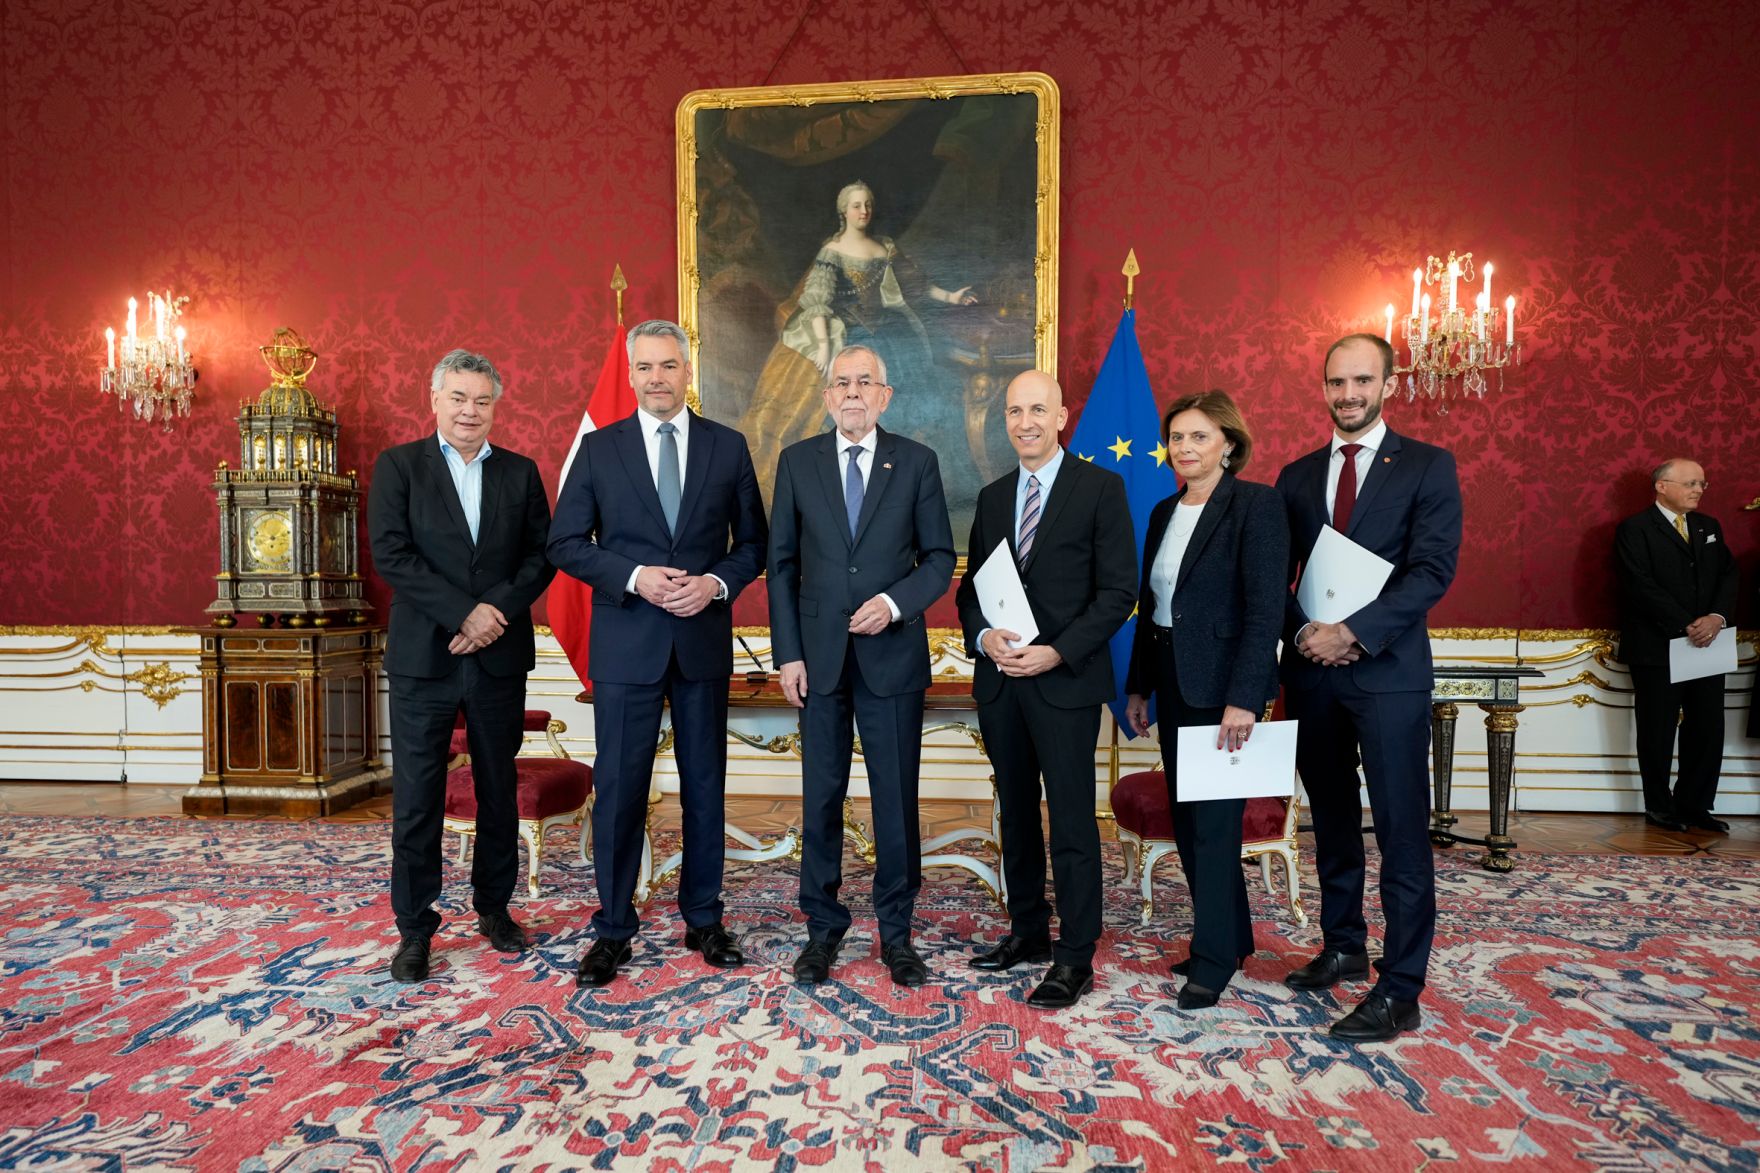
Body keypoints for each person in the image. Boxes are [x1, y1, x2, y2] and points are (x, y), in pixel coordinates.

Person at [548, 319, 768, 987]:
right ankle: (613, 926)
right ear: (633, 372)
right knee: (618, 791)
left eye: (668, 365)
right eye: (644, 367)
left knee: (706, 789)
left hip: (701, 642)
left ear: (686, 370)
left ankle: (704, 916)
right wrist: (635, 576)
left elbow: (753, 545)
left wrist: (715, 582)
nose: (656, 378)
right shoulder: (599, 449)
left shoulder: (727, 448)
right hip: (626, 644)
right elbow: (565, 544)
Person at [1274, 333, 1461, 1042]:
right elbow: (1277, 576)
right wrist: (1302, 634)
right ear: (1321, 386)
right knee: (1332, 820)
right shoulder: (1295, 476)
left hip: (1387, 676)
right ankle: (1344, 942)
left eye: (1361, 381)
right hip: (1313, 677)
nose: (1347, 394)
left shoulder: (1427, 466)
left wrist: (1353, 631)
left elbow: (1432, 570)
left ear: (1389, 382)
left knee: (1402, 832)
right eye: (1335, 382)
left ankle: (1402, 988)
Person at [767, 344, 955, 988]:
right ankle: (822, 930)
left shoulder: (919, 463)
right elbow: (783, 566)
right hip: (816, 661)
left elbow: (938, 558)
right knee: (821, 797)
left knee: (894, 800)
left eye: (864, 382)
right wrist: (787, 652)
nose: (852, 392)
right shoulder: (797, 463)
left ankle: (896, 934)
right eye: (841, 382)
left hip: (891, 659)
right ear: (827, 397)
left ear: (885, 395)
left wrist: (893, 603)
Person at [367, 349, 556, 983]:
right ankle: (415, 928)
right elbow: (392, 555)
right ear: (435, 401)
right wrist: (463, 615)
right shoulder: (399, 467)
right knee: (417, 797)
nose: (470, 412)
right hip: (427, 655)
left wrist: (492, 613)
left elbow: (539, 558)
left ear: (495, 406)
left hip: (498, 653)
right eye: (458, 399)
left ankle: (494, 909)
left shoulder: (521, 473)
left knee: (497, 790)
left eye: (482, 401)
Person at [954, 369, 1137, 1008]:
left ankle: (1075, 955)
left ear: (1062, 416)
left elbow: (1119, 592)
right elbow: (970, 591)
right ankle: (1027, 931)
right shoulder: (992, 495)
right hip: (1003, 682)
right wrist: (985, 639)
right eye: (1013, 411)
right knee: (1017, 817)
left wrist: (1056, 650)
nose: (1025, 422)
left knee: (1070, 822)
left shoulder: (1100, 488)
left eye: (1037, 409)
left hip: (1066, 683)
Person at [1122, 390, 1288, 1009]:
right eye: (1177, 438)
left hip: (1223, 693)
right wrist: (1139, 684)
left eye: (1198, 437)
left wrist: (1246, 697)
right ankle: (1233, 937)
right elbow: (1153, 608)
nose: (1184, 448)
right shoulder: (1164, 511)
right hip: (1172, 682)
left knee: (1215, 829)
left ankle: (1214, 959)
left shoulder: (1256, 506)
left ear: (1229, 444)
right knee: (1191, 826)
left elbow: (1266, 608)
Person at [746, 181, 978, 493]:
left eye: (868, 204)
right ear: (844, 211)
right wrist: (825, 349)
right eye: (857, 205)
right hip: (847, 333)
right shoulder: (833, 251)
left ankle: (897, 478)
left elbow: (915, 284)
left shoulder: (885, 246)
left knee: (908, 393)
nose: (864, 211)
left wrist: (951, 297)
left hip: (890, 332)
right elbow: (817, 303)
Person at [1613, 459, 1738, 834]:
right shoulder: (1634, 529)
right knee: (1657, 728)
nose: (1699, 489)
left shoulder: (1708, 527)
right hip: (1657, 646)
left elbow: (1729, 574)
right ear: (1662, 487)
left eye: (1702, 483)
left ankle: (1696, 805)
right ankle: (1659, 807)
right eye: (1690, 483)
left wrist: (1716, 617)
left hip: (1709, 644)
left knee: (1707, 726)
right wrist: (1686, 623)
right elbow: (1638, 584)